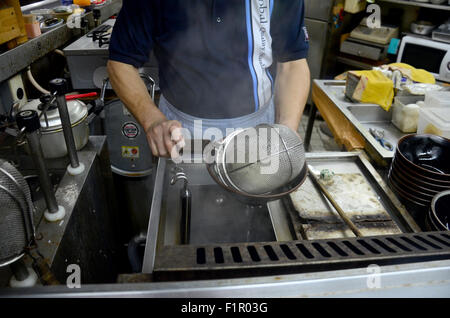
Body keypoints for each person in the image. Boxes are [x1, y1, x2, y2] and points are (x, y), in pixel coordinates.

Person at [107, 0, 310, 158]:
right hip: (181, 133)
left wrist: (287, 129)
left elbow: (292, 63)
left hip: (258, 129)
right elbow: (121, 63)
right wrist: (152, 119)